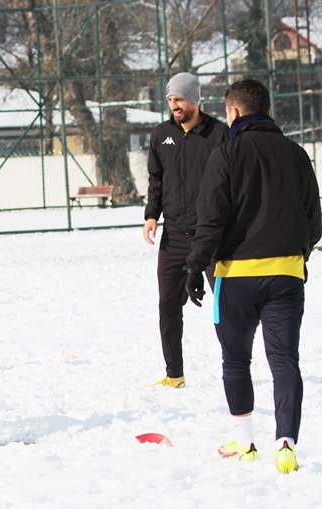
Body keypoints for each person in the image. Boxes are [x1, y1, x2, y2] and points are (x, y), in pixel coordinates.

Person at [185, 78, 321, 474]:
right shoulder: (296, 154)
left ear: (234, 112)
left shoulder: (225, 154)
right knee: (284, 360)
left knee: (235, 360)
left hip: (236, 278)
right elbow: (314, 220)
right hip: (287, 275)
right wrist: (299, 253)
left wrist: (195, 267)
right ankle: (286, 445)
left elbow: (209, 220)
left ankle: (245, 443)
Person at [142, 72, 229, 388]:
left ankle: (233, 367)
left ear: (194, 99)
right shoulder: (161, 134)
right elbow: (157, 180)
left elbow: (230, 184)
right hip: (174, 236)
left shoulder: (219, 134)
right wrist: (152, 215)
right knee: (167, 304)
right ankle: (174, 374)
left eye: (179, 99)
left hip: (212, 238)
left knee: (224, 307)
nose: (174, 105)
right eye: (170, 99)